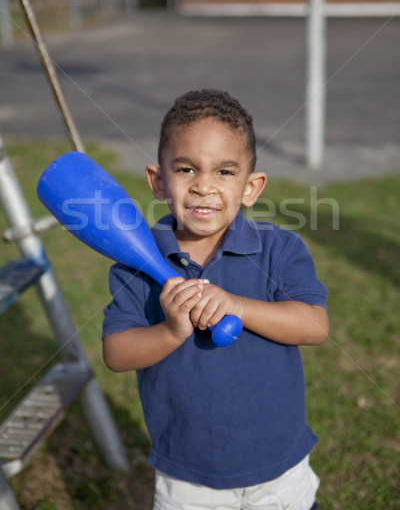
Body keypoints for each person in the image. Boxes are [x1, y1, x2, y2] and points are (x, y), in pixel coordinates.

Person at [102, 89, 329, 510]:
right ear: (157, 181)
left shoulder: (278, 248)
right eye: (187, 168)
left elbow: (314, 325)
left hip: (279, 465)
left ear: (251, 187)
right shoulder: (134, 263)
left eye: (225, 172)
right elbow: (116, 353)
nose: (204, 185)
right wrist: (171, 331)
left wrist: (238, 306)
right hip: (189, 473)